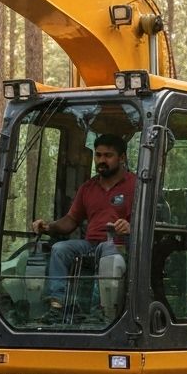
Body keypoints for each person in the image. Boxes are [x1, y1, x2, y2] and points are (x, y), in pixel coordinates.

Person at [31, 133, 135, 320]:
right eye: (98, 155)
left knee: (108, 250)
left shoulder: (136, 185)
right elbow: (71, 221)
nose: (101, 160)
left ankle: (103, 311)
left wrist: (131, 227)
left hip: (122, 245)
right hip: (91, 245)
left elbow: (153, 222)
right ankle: (58, 305)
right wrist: (47, 227)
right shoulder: (88, 188)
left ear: (122, 158)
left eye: (108, 155)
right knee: (60, 249)